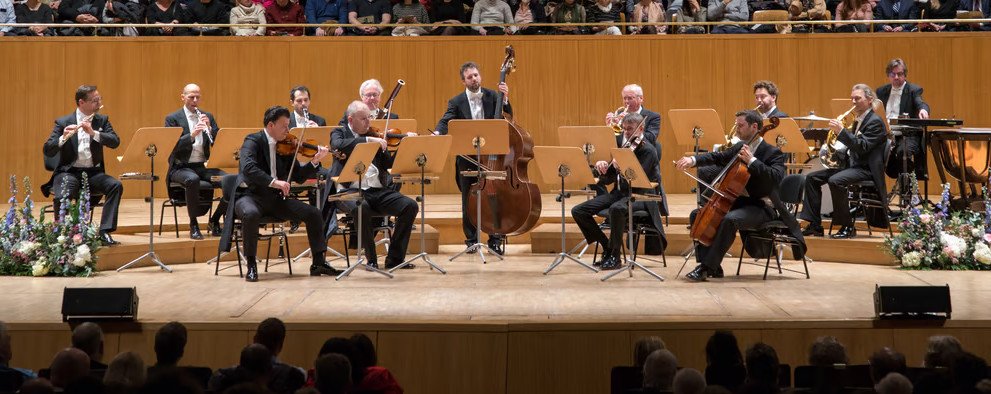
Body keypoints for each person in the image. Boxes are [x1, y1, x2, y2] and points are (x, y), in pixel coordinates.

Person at [676, 109, 804, 281]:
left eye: (741, 126)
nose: (737, 130)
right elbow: (718, 157)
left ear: (754, 126)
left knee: (731, 220)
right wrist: (693, 160)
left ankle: (706, 267)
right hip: (740, 202)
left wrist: (752, 161)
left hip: (762, 206)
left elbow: (775, 178)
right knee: (697, 214)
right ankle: (715, 267)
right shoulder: (739, 147)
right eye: (736, 125)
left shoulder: (773, 153)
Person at [218, 106, 341, 282]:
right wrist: (274, 182)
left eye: (288, 125)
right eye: (284, 125)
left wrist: (314, 161)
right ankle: (251, 265)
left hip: (275, 200)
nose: (287, 130)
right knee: (250, 214)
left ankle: (318, 263)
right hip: (249, 196)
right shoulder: (253, 141)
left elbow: (298, 176)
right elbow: (248, 168)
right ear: (270, 125)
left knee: (313, 213)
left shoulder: (287, 144)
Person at [434, 61, 513, 254]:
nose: (474, 79)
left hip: (492, 157)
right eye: (469, 77)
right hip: (467, 158)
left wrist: (505, 100)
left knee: (494, 198)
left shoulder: (494, 96)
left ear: (480, 76)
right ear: (463, 81)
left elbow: (508, 118)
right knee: (468, 199)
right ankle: (471, 239)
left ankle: (495, 239)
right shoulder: (456, 102)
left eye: (476, 75)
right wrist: (437, 133)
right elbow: (447, 121)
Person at [330, 101, 419, 270]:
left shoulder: (375, 136)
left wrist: (405, 145)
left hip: (377, 191)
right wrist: (367, 140)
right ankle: (371, 259)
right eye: (363, 119)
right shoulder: (339, 133)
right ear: (351, 119)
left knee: (410, 206)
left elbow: (388, 164)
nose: (368, 122)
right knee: (360, 207)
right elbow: (338, 146)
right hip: (348, 191)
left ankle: (395, 258)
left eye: (369, 118)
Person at [572, 113, 666, 270]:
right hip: (620, 194)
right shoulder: (623, 148)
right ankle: (607, 247)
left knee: (617, 209)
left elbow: (637, 180)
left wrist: (621, 165)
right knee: (579, 211)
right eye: (624, 129)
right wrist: (602, 167)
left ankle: (615, 257)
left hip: (643, 197)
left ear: (641, 128)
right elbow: (608, 180)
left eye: (630, 129)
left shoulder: (648, 150)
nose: (627, 133)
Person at [800, 84, 888, 239]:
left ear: (869, 100)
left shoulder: (875, 122)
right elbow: (851, 144)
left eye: (858, 98)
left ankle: (847, 226)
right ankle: (814, 225)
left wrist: (841, 132)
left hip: (866, 169)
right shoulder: (858, 120)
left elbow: (862, 147)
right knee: (812, 178)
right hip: (852, 166)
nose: (853, 102)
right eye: (852, 98)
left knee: (835, 181)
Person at [42, 85, 123, 246]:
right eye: (95, 100)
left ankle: (105, 231)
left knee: (115, 185)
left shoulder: (102, 120)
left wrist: (94, 133)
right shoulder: (63, 122)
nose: (99, 103)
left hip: (93, 173)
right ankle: (62, 234)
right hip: (68, 172)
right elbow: (48, 150)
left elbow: (115, 142)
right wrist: (63, 137)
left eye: (99, 99)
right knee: (63, 193)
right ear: (81, 102)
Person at [165, 83, 227, 240]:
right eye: (191, 97)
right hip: (180, 167)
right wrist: (192, 135)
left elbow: (218, 143)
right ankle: (193, 224)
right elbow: (171, 146)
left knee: (230, 181)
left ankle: (215, 220)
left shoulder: (208, 116)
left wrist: (210, 130)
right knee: (192, 180)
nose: (194, 100)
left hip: (202, 166)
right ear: (183, 97)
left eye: (197, 97)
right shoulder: (173, 118)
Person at [876, 58, 930, 181]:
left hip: (907, 135)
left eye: (899, 74)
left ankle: (909, 190)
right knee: (868, 151)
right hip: (886, 135)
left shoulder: (913, 90)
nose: (896, 77)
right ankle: (874, 194)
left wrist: (923, 110)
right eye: (892, 74)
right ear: (888, 76)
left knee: (903, 153)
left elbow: (920, 102)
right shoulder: (881, 91)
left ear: (905, 75)